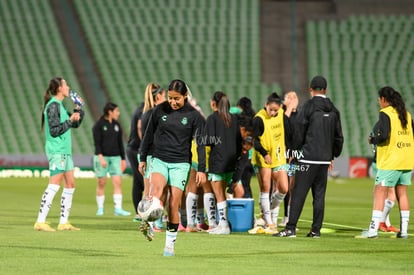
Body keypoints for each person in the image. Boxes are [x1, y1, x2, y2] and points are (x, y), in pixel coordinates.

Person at [138, 79, 206, 256]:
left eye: (177, 98)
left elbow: (200, 144)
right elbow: (147, 135)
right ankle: (148, 223)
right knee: (157, 192)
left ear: (185, 96)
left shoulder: (194, 116)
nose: (173, 102)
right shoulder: (159, 111)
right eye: (170, 98)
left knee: (174, 203)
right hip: (160, 159)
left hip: (181, 164)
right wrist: (143, 158)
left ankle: (169, 245)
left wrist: (201, 169)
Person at [276, 75, 343, 238]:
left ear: (310, 89)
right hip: (324, 159)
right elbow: (338, 137)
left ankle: (290, 228)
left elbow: (299, 132)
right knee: (319, 196)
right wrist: (332, 155)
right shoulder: (334, 109)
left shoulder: (308, 106)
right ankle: (315, 230)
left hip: (307, 158)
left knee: (298, 193)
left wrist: (294, 151)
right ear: (325, 90)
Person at [358, 86, 414, 239]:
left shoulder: (385, 113)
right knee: (402, 193)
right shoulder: (407, 115)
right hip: (407, 160)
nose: (378, 102)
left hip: (391, 160)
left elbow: (382, 136)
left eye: (379, 99)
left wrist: (372, 140)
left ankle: (373, 230)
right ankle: (403, 232)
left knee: (379, 193)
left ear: (383, 99)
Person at [34, 77, 84, 232]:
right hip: (57, 151)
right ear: (59, 89)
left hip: (65, 151)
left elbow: (74, 123)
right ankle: (40, 221)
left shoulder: (60, 106)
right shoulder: (53, 106)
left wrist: (78, 108)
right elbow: (55, 130)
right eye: (65, 84)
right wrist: (70, 120)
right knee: (54, 184)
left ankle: (63, 222)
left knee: (70, 185)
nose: (68, 87)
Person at [248, 92, 291, 235]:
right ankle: (270, 222)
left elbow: (289, 130)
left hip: (278, 156)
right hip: (262, 156)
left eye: (275, 110)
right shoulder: (258, 119)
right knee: (266, 187)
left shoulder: (281, 114)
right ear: (266, 105)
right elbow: (255, 141)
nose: (273, 112)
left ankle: (265, 213)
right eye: (270, 109)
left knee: (284, 188)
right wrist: (265, 153)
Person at [205, 91, 241, 235]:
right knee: (222, 193)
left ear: (213, 103)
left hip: (218, 160)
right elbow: (239, 141)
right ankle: (222, 223)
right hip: (231, 161)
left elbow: (209, 140)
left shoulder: (212, 118)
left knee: (219, 194)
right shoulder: (234, 119)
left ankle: (224, 225)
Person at [92, 102, 130, 216]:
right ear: (110, 112)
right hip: (102, 157)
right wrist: (101, 158)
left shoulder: (117, 125)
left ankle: (118, 208)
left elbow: (120, 144)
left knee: (118, 182)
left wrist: (123, 159)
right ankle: (100, 208)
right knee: (101, 182)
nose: (118, 113)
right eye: (116, 111)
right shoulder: (98, 125)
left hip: (115, 157)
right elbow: (97, 144)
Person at [139, 83, 166, 230]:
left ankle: (149, 220)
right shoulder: (154, 114)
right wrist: (144, 158)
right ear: (158, 97)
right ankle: (152, 222)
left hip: (148, 155)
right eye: (164, 96)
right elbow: (148, 138)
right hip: (151, 156)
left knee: (149, 190)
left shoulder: (146, 113)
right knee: (153, 191)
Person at [370, 123, 400, 233]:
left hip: (385, 163)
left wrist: (372, 140)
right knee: (388, 193)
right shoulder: (389, 125)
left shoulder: (380, 125)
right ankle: (382, 223)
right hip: (384, 164)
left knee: (385, 193)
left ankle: (384, 223)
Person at [279, 91, 299, 226]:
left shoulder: (301, 115)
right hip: (280, 155)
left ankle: (288, 216)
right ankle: (270, 216)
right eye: (289, 97)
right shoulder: (280, 114)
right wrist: (288, 111)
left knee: (292, 186)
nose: (292, 100)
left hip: (295, 156)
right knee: (279, 186)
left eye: (295, 97)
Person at [126, 102, 145, 222]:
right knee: (143, 181)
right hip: (137, 149)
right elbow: (139, 127)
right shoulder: (144, 109)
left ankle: (139, 212)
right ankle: (143, 212)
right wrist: (144, 144)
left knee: (137, 182)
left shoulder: (139, 108)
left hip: (132, 147)